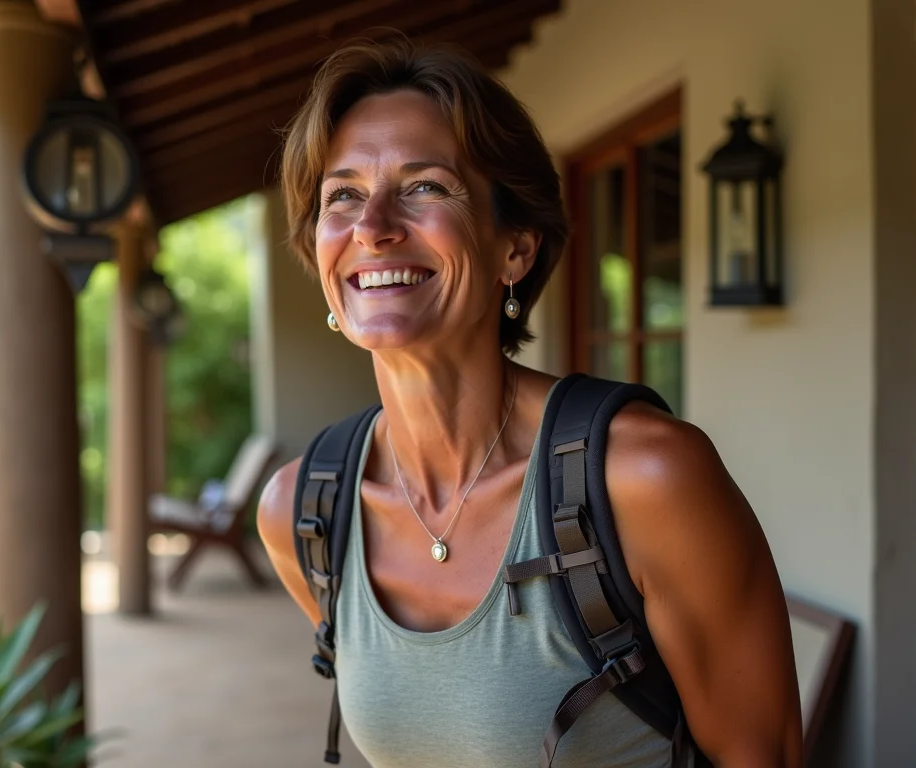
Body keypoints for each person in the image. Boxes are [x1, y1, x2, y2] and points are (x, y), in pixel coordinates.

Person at [256, 36, 803, 768]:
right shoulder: (304, 515)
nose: (373, 226)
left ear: (515, 249)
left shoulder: (645, 479)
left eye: (425, 187)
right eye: (343, 194)